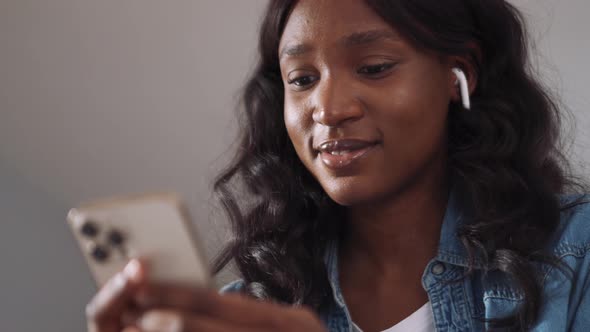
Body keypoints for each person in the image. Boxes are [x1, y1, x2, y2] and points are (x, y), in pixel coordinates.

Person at [85, 0, 590, 331]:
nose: (327, 109)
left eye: (373, 68)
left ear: (461, 73)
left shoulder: (577, 253)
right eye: (302, 79)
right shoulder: (248, 315)